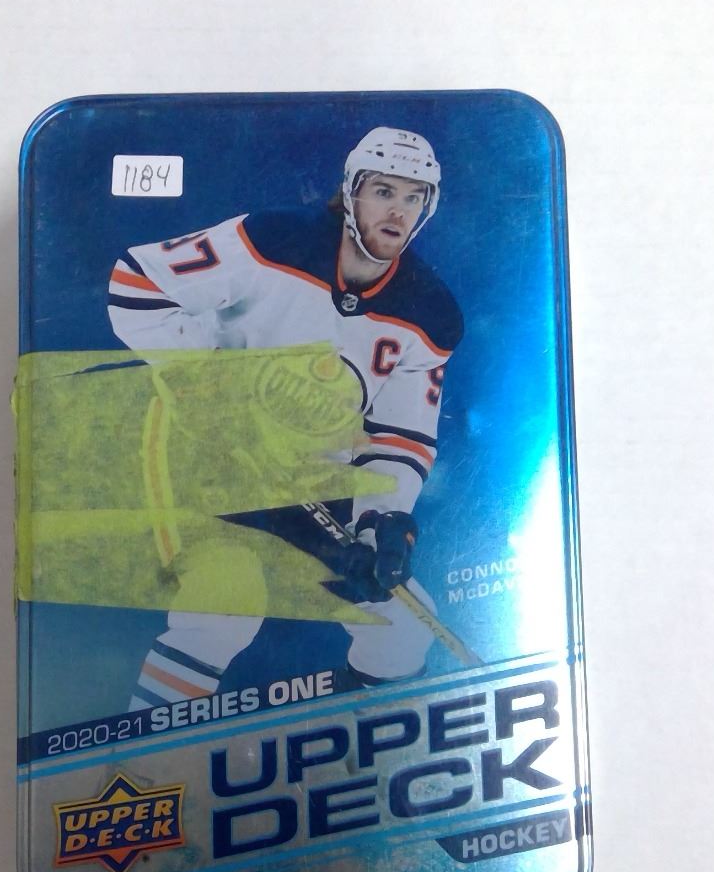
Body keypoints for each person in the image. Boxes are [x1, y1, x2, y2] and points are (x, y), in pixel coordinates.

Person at [107, 127, 464, 711]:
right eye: (383, 191)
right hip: (204, 456)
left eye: (412, 197)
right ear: (351, 192)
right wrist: (211, 387)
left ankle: (373, 746)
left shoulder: (430, 311)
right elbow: (136, 283)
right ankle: (146, 755)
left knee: (403, 627)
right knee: (223, 607)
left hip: (313, 478)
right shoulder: (271, 240)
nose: (397, 211)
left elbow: (401, 437)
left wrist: (381, 522)